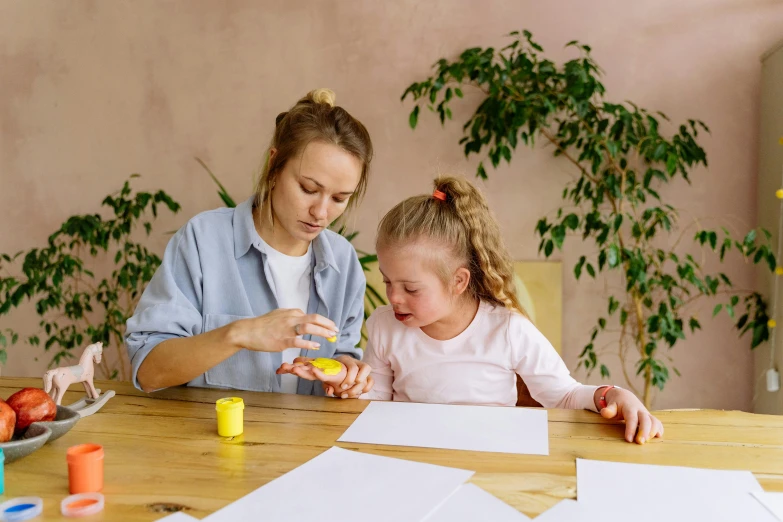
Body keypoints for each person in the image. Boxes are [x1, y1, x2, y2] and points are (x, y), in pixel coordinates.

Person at [281, 176, 664, 444]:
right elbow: (376, 404)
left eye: (410, 288)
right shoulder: (385, 326)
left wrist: (614, 395)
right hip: (407, 464)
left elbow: (563, 396)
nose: (393, 298)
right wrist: (345, 386)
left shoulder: (507, 329)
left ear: (459, 282)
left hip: (489, 462)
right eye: (387, 281)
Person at [125, 88, 375, 399]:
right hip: (212, 445)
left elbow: (343, 354)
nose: (322, 213)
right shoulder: (203, 241)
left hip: (314, 445)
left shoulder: (344, 262)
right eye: (308, 189)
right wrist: (240, 334)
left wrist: (346, 373)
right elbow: (149, 371)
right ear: (274, 166)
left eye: (339, 199)